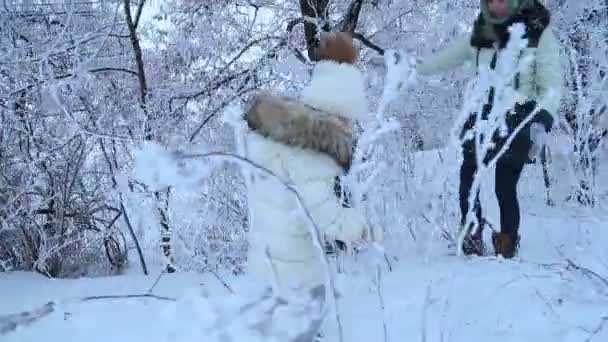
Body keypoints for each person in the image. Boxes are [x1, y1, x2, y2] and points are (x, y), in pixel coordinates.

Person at [414, 0, 563, 258]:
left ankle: (507, 245)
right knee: (467, 180)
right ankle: (471, 238)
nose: (497, 5)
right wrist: (409, 65)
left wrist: (540, 121)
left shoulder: (537, 32)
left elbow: (551, 84)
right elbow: (440, 61)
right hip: (482, 120)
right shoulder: (480, 33)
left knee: (504, 185)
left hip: (518, 120)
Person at [243, 32, 378, 301]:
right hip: (294, 275)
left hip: (266, 265)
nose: (350, 128)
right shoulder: (313, 147)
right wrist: (363, 229)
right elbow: (322, 212)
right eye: (348, 120)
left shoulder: (285, 133)